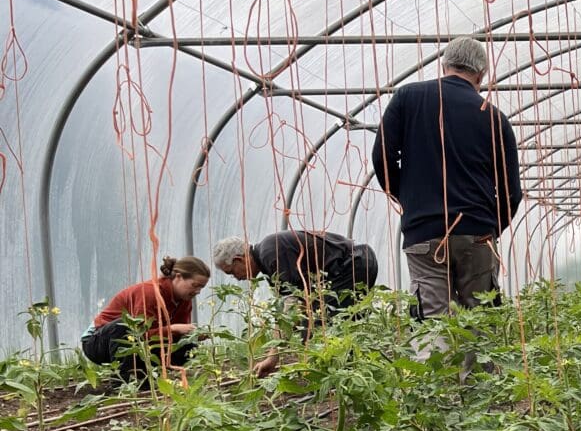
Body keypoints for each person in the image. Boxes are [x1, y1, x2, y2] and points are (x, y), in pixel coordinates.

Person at [372, 35, 523, 321]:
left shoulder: (407, 98)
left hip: (423, 234)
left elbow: (382, 156)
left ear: (444, 66)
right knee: (478, 329)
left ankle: (435, 364)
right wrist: (489, 229)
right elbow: (511, 193)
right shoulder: (494, 118)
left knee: (433, 328)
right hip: (477, 234)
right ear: (481, 75)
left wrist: (407, 199)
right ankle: (475, 368)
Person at [212, 230, 381, 374]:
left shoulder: (271, 253)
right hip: (355, 264)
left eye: (232, 272)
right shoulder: (267, 257)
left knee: (322, 324)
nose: (237, 278)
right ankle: (341, 373)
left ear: (239, 260)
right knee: (323, 324)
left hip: (354, 264)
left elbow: (291, 307)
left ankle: (340, 375)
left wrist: (272, 357)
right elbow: (292, 308)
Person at [81, 256, 210, 381]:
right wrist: (173, 329)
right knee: (125, 326)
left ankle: (151, 376)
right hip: (97, 342)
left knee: (187, 345)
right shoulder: (150, 293)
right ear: (178, 277)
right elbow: (141, 333)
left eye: (201, 287)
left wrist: (192, 335)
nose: (198, 291)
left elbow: (173, 336)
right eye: (195, 285)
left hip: (136, 343)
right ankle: (124, 382)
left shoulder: (184, 300)